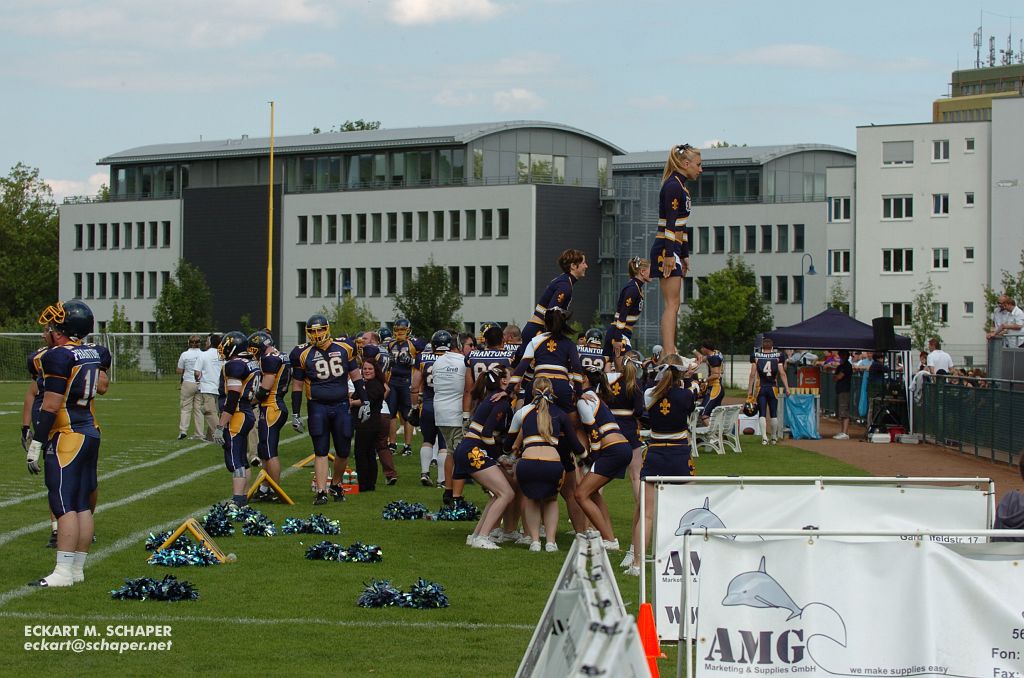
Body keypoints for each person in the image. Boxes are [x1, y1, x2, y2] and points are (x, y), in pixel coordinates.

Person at [25, 300, 105, 587]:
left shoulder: (58, 356)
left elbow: (51, 405)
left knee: (63, 504)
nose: (47, 330)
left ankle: (62, 572)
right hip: (90, 430)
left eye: (52, 325)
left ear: (61, 329)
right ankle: (76, 569)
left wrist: (36, 442)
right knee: (82, 504)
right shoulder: (93, 352)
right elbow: (102, 385)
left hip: (67, 434)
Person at [626, 354, 697, 576]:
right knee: (687, 510)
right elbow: (688, 408)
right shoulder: (687, 394)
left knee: (646, 514)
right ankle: (683, 560)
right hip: (679, 454)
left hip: (656, 453)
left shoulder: (650, 393)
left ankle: (637, 564)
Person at [290, 314, 367, 505]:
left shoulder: (345, 347)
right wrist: (296, 413)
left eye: (320, 330)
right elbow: (297, 385)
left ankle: (336, 483)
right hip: (317, 406)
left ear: (327, 329)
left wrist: (365, 401)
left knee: (343, 450)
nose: (317, 334)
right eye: (313, 331)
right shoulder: (302, 353)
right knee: (321, 450)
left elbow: (356, 376)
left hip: (341, 405)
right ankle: (321, 491)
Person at [505, 376, 586, 553]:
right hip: (553, 465)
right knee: (551, 500)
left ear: (532, 392)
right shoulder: (560, 413)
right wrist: (586, 456)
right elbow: (575, 444)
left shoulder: (522, 412)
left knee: (532, 499)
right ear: (552, 392)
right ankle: (550, 542)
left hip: (528, 463)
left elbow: (508, 444)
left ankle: (534, 541)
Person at [452, 366, 515, 549]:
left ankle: (476, 535)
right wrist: (499, 457)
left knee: (498, 494)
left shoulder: (491, 397)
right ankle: (482, 537)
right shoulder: (501, 401)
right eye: (512, 377)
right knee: (506, 493)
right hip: (474, 449)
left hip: (469, 448)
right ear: (504, 381)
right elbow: (487, 433)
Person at [650, 144, 702, 356]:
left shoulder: (682, 186)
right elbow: (670, 223)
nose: (700, 169)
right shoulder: (673, 185)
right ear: (686, 164)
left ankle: (670, 348)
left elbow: (682, 224)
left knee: (675, 303)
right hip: (666, 248)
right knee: (672, 303)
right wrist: (671, 254)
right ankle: (668, 350)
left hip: (674, 248)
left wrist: (684, 253)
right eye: (698, 165)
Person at [575, 368, 633, 550]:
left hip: (612, 449)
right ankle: (609, 537)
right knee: (592, 492)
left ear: (584, 378)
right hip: (621, 447)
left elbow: (594, 432)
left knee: (580, 494)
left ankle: (608, 539)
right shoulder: (595, 397)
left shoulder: (584, 401)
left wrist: (592, 457)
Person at [213, 332, 260, 508]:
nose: (222, 348)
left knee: (235, 459)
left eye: (225, 345)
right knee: (242, 458)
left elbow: (232, 398)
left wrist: (220, 425)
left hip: (237, 414)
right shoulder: (251, 362)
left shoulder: (235, 365)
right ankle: (243, 498)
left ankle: (238, 499)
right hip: (247, 411)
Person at [247, 331, 291, 501]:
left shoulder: (269, 359)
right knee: (264, 451)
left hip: (272, 406)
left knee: (270, 452)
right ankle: (265, 488)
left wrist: (250, 402)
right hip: (275, 405)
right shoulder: (281, 355)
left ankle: (275, 490)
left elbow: (265, 389)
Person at [520, 249, 589, 345]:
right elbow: (552, 313)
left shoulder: (564, 281)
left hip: (536, 330)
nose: (586, 266)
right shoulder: (565, 285)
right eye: (583, 263)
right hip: (538, 331)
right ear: (573, 266)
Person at [431, 330, 468, 502]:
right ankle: (456, 496)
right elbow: (467, 388)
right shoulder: (462, 362)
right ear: (459, 346)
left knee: (450, 452)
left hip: (440, 411)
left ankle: (448, 490)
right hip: (456, 412)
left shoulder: (438, 362)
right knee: (460, 455)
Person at [359, 330, 398, 485]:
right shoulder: (381, 366)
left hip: (374, 414)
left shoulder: (366, 372)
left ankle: (367, 481)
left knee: (365, 449)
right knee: (382, 446)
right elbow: (386, 389)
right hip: (385, 411)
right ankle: (390, 474)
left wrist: (370, 402)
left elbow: (383, 390)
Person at [385, 318, 424, 457]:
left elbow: (423, 361)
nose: (400, 332)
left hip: (407, 381)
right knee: (391, 413)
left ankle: (408, 446)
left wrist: (412, 361)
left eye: (402, 329)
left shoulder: (415, 343)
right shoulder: (391, 344)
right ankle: (392, 444)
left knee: (407, 414)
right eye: (397, 329)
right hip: (393, 381)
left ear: (408, 330)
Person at [604, 257, 649, 369]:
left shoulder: (637, 287)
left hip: (622, 332)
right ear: (642, 272)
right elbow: (623, 313)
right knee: (625, 372)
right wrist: (618, 338)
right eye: (650, 270)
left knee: (616, 371)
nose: (652, 273)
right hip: (620, 333)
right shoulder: (633, 288)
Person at [350, 359, 388, 492]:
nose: (367, 371)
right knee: (368, 453)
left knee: (362, 453)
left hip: (369, 423)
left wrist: (352, 403)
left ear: (376, 370)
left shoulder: (375, 384)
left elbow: (367, 400)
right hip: (366, 422)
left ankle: (365, 484)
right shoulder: (366, 384)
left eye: (370, 369)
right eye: (365, 369)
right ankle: (369, 483)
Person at [411, 340, 445, 488]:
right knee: (444, 444)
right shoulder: (454, 359)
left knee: (427, 440)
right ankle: (441, 480)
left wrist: (414, 407)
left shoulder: (423, 359)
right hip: (446, 404)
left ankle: (424, 473)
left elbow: (414, 386)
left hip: (428, 404)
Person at [747, 336, 790, 445]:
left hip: (760, 387)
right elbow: (782, 373)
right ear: (772, 347)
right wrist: (787, 388)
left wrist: (750, 390)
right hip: (773, 387)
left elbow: (752, 374)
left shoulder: (756, 356)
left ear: (762, 347)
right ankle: (774, 437)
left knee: (762, 413)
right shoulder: (778, 356)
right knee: (773, 413)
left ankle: (764, 437)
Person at [194, 333, 224, 442]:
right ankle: (209, 437)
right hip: (220, 387)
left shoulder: (204, 355)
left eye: (207, 341)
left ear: (210, 343)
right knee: (216, 412)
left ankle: (219, 434)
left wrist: (197, 380)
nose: (205, 343)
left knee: (210, 412)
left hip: (208, 387)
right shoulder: (222, 355)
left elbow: (197, 372)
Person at [176, 335, 204, 440]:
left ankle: (183, 431)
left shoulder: (185, 354)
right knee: (198, 409)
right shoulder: (203, 354)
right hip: (200, 383)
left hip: (188, 382)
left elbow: (179, 370)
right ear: (199, 343)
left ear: (189, 343)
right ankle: (199, 433)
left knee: (185, 408)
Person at [695, 341, 725, 424]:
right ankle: (719, 431)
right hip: (717, 387)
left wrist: (703, 380)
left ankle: (712, 432)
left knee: (704, 414)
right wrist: (694, 351)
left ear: (705, 348)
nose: (701, 350)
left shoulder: (713, 358)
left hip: (715, 388)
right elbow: (702, 358)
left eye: (702, 348)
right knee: (713, 414)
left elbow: (716, 375)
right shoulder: (716, 354)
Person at [832, 350, 853, 439]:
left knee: (844, 411)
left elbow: (839, 376)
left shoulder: (847, 365)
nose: (840, 356)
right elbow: (835, 378)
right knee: (841, 412)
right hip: (839, 390)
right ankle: (843, 431)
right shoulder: (840, 366)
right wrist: (837, 377)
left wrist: (837, 377)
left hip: (845, 390)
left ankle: (845, 433)